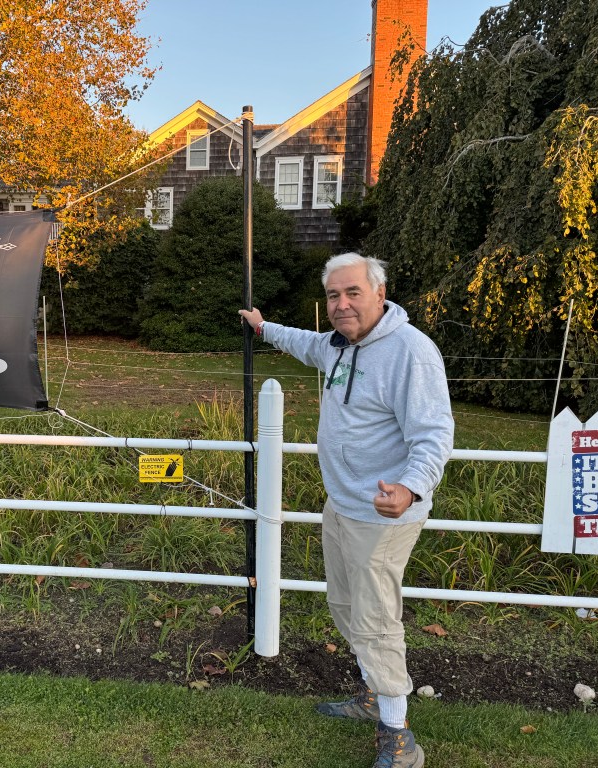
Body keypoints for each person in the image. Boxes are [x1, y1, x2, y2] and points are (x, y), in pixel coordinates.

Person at [240, 252, 453, 768]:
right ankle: (371, 695)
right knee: (344, 606)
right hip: (342, 506)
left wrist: (409, 488)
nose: (341, 305)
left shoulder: (410, 352)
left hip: (384, 514)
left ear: (380, 294)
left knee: (376, 620)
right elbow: (306, 343)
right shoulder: (337, 346)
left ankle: (399, 736)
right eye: (333, 295)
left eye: (352, 293)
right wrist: (265, 328)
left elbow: (433, 434)